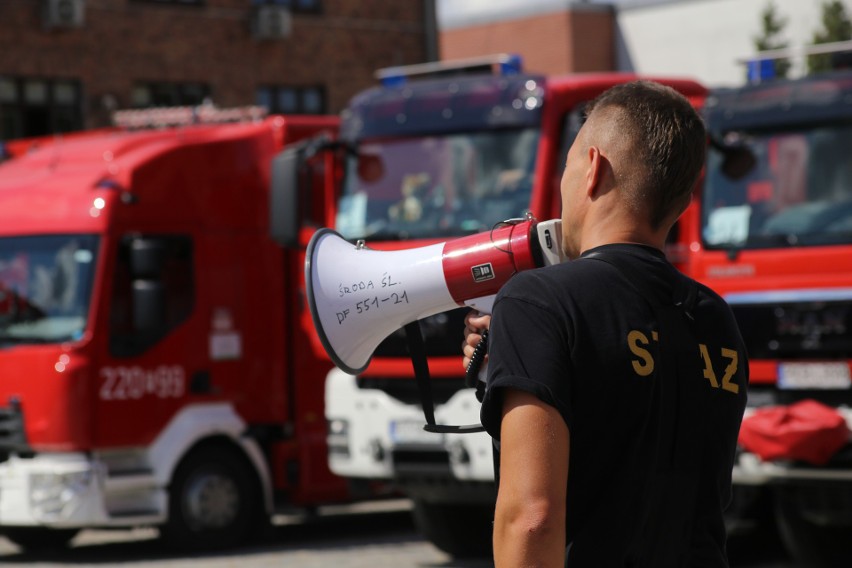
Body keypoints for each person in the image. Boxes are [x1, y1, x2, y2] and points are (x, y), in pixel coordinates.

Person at [462, 81, 749, 567]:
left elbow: (532, 520)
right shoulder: (716, 317)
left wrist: (528, 321)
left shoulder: (538, 301)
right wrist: (517, 352)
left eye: (568, 166)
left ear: (593, 169)